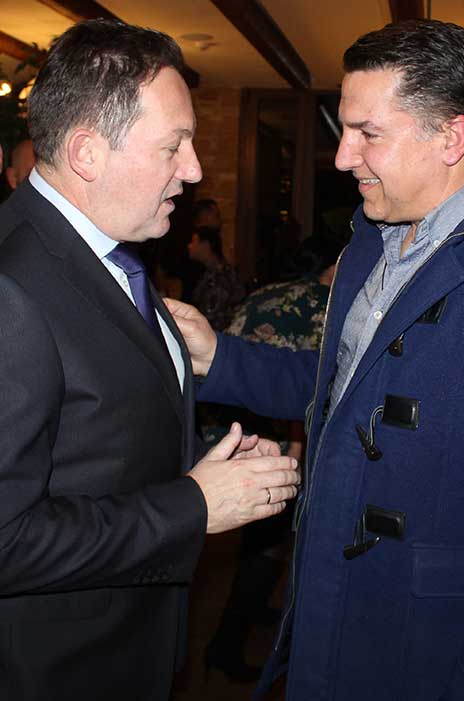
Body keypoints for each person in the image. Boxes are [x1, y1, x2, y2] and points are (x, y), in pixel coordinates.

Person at [166, 19, 464, 701]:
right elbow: (347, 390)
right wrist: (218, 356)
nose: (344, 157)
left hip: (433, 647)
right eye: (345, 130)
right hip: (335, 611)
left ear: (451, 137)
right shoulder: (375, 237)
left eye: (367, 133)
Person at [0, 19, 299, 701]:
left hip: (132, 649)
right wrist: (194, 505)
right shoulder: (12, 287)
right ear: (87, 153)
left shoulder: (113, 253)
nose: (193, 170)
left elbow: (94, 437)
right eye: (174, 146)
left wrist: (209, 464)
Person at [204, 234, 344, 683]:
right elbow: (312, 389)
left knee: (256, 540)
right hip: (269, 439)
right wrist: (298, 452)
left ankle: (243, 620)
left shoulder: (268, 291)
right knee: (269, 543)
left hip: (223, 425)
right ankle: (227, 644)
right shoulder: (325, 305)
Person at [188, 224, 245, 330]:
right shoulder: (210, 272)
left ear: (205, 245)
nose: (189, 246)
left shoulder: (219, 275)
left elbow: (211, 316)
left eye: (193, 241)